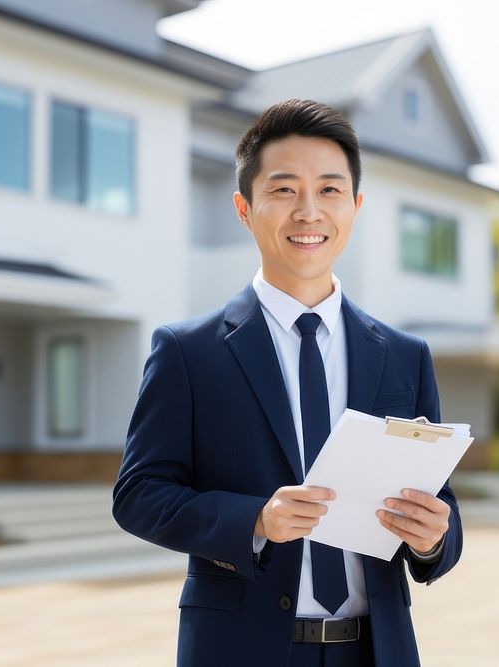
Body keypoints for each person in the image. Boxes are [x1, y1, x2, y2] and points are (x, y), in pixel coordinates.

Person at [113, 99, 462, 667]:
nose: (308, 211)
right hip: (239, 650)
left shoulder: (405, 356)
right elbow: (138, 496)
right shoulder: (188, 352)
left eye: (329, 190)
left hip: (375, 651)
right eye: (282, 190)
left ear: (355, 205)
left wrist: (433, 539)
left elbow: (439, 505)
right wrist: (254, 519)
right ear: (244, 208)